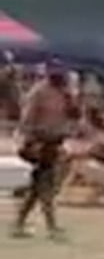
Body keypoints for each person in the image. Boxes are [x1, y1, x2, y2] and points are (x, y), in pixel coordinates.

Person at [12, 70, 74, 240]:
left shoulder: (65, 93)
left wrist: (71, 99)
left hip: (55, 142)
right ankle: (51, 227)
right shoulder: (38, 93)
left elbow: (73, 115)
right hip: (40, 143)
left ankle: (19, 223)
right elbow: (27, 120)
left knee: (37, 188)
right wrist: (31, 143)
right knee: (45, 185)